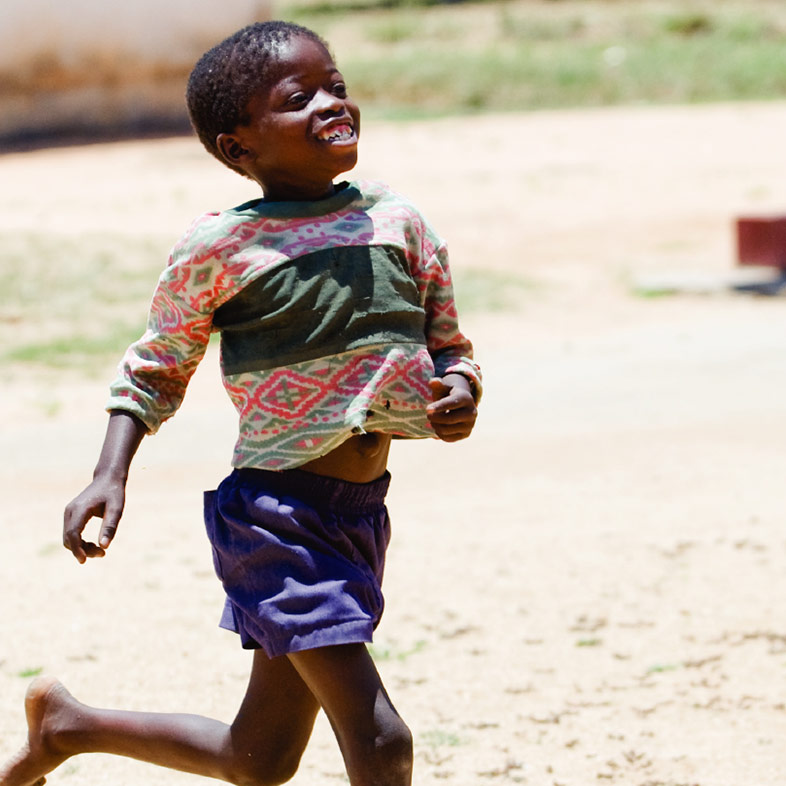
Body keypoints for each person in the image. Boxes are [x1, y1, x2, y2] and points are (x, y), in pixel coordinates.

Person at [0, 20, 481, 786]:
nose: (332, 103)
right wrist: (108, 475)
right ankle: (65, 728)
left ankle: (66, 726)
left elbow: (448, 343)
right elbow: (157, 367)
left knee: (258, 758)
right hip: (276, 518)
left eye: (338, 86)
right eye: (300, 98)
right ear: (238, 147)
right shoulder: (220, 248)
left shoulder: (398, 221)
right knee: (380, 738)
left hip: (357, 514)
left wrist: (458, 391)